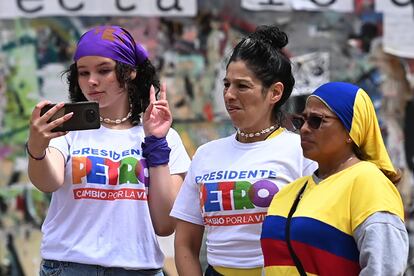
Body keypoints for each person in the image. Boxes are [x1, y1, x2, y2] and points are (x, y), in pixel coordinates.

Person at [26, 25, 191, 275]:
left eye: (104, 70)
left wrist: (156, 144)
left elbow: (165, 224)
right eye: (83, 73)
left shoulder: (165, 137)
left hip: (139, 268)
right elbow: (48, 182)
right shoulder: (68, 130)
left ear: (130, 72)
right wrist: (37, 147)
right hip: (70, 266)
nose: (91, 81)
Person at [170, 25, 317, 276]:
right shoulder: (206, 154)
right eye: (226, 84)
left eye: (242, 86)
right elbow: (185, 242)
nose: (228, 95)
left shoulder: (302, 152)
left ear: (275, 92)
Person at [261, 81, 409, 275]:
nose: (304, 128)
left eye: (316, 120)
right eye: (301, 121)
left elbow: (384, 268)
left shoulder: (368, 182)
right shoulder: (288, 193)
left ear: (351, 130)